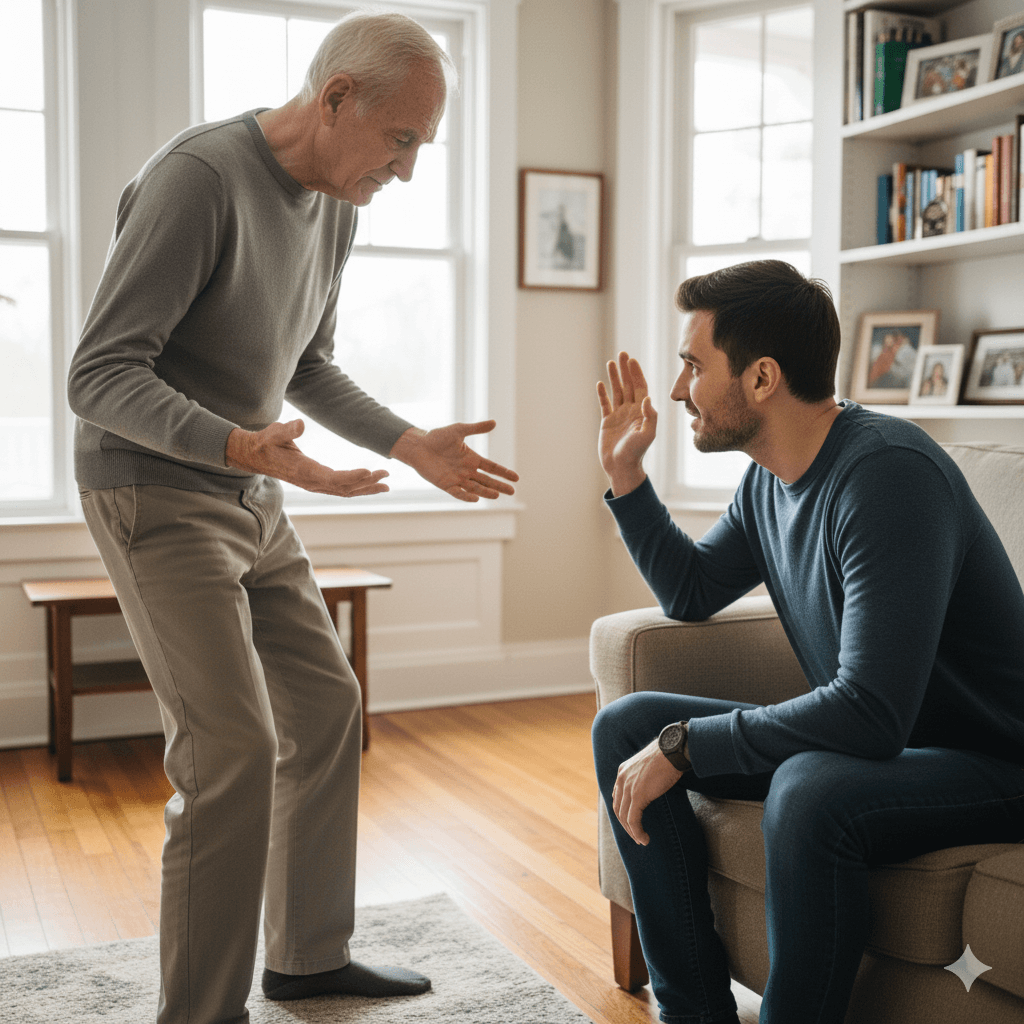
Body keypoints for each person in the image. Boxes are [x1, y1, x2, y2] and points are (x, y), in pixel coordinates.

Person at [67, 11, 517, 1024]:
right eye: (401, 141)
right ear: (337, 98)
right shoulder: (199, 179)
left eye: (421, 150)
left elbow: (304, 364)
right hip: (152, 488)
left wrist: (406, 442)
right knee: (227, 748)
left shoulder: (335, 207)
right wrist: (235, 444)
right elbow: (97, 375)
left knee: (324, 706)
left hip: (251, 487)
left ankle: (308, 956)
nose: (404, 172)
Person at [591, 260, 1024, 1024]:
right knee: (626, 726)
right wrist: (627, 478)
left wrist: (688, 745)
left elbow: (869, 715)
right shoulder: (769, 480)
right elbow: (691, 590)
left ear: (761, 378)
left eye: (694, 363)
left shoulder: (887, 473)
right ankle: (693, 1011)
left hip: (995, 761)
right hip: (900, 750)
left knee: (810, 787)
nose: (677, 388)